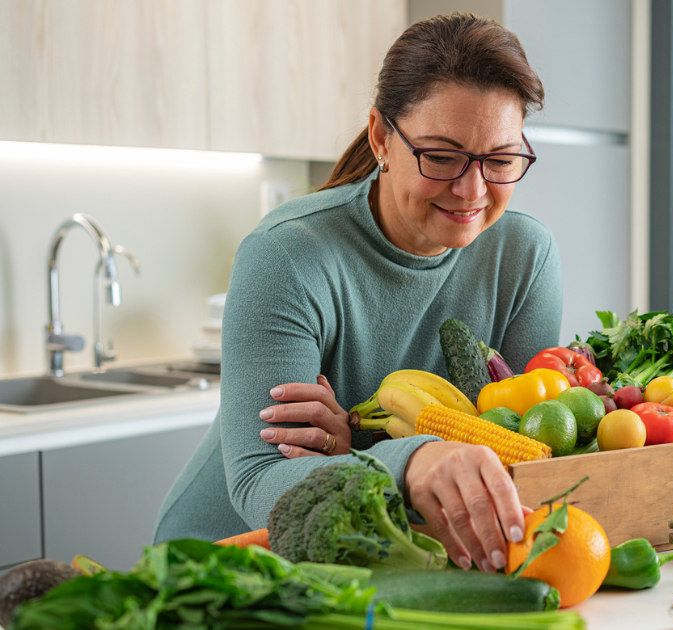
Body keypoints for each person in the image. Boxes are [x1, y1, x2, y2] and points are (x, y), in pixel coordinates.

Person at [154, 13, 562, 576]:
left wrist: (357, 449)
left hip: (386, 558)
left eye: (500, 160)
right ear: (381, 137)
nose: (472, 190)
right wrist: (411, 462)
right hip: (230, 563)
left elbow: (521, 448)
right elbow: (259, 481)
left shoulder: (525, 256)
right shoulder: (288, 255)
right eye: (441, 156)